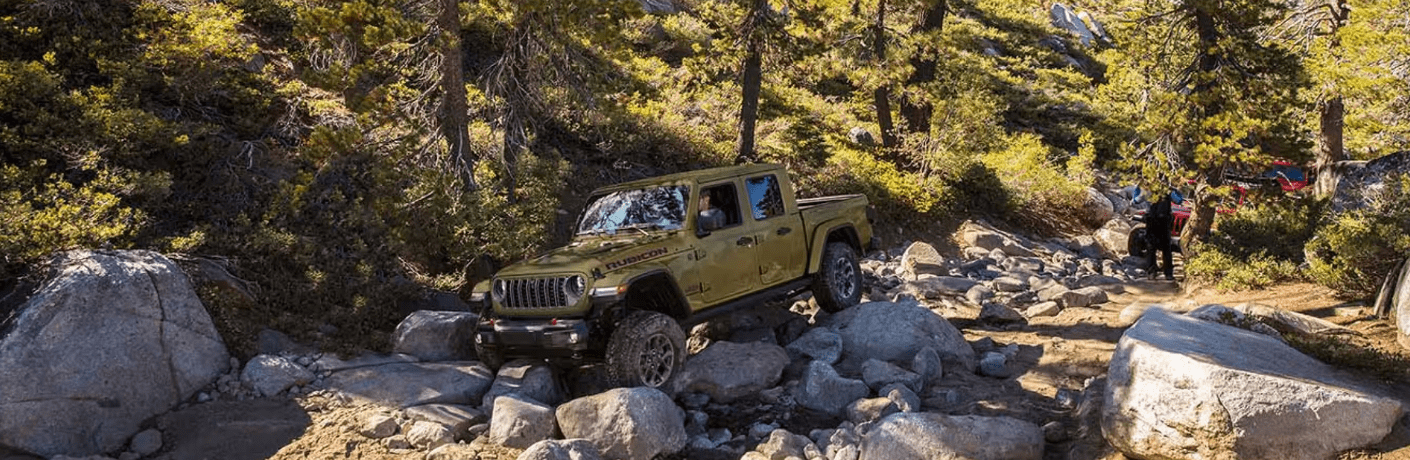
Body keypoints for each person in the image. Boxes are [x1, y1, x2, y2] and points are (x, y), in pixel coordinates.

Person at [1145, 192, 1175, 280]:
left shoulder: (1146, 187)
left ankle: (1152, 272)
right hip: (1164, 222)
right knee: (1166, 249)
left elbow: (1136, 200)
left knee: (1151, 248)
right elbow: (1179, 200)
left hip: (1152, 220)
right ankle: (1168, 273)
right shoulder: (1169, 189)